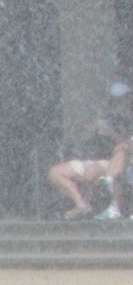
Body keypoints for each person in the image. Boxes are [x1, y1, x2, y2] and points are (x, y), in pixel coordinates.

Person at [47, 82, 132, 218]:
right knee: (55, 173)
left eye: (122, 98)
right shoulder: (106, 117)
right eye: (114, 99)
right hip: (93, 160)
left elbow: (126, 145)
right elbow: (83, 138)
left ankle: (94, 201)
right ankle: (81, 203)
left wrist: (112, 134)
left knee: (69, 172)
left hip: (112, 162)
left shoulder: (127, 120)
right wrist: (95, 123)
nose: (117, 102)